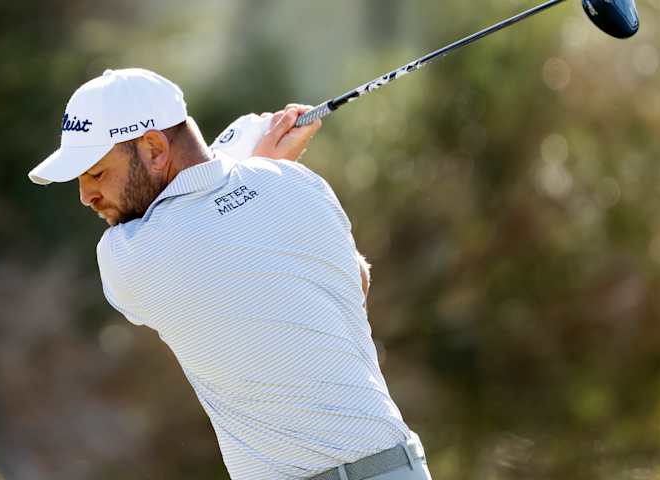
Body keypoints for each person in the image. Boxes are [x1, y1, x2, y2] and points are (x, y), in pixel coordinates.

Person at [28, 68, 433, 480]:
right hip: (399, 468)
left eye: (96, 173)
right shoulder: (297, 184)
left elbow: (206, 221)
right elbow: (354, 283)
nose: (86, 196)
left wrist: (251, 161)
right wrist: (260, 170)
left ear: (154, 148)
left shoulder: (129, 256)